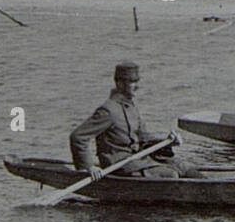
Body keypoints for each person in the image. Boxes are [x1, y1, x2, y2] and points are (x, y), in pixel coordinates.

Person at [69, 61, 202, 179]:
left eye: (137, 82)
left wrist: (168, 142)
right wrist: (89, 166)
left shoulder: (131, 107)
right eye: (132, 82)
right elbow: (78, 136)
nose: (137, 86)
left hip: (137, 160)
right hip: (119, 166)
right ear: (120, 84)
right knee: (170, 174)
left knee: (184, 167)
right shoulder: (107, 111)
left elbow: (144, 138)